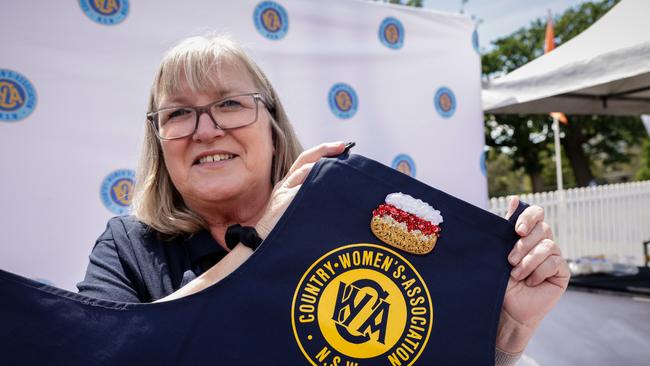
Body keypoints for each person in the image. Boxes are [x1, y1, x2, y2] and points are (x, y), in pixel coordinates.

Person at [77, 35, 570, 365]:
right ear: (159, 141)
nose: (206, 130)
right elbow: (100, 352)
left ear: (272, 125)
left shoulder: (355, 223)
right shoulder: (129, 246)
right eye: (179, 113)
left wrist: (506, 335)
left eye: (229, 103)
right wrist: (258, 243)